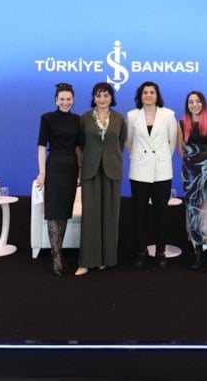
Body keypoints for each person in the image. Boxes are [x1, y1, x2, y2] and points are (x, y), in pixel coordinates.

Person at [75, 82, 127, 276]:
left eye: (106, 95)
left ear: (111, 98)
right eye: (98, 95)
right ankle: (86, 262)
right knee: (90, 216)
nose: (102, 99)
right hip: (91, 171)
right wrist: (82, 167)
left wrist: (110, 158)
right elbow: (81, 144)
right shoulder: (85, 118)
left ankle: (106, 259)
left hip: (112, 170)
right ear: (93, 98)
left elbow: (120, 144)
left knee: (110, 215)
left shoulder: (119, 119)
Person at [126, 81, 177, 269]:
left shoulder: (168, 115)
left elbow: (172, 142)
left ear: (157, 96)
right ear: (140, 96)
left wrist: (161, 158)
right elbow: (129, 142)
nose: (148, 95)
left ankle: (161, 252)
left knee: (161, 214)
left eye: (152, 92)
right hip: (139, 170)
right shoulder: (132, 116)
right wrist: (141, 157)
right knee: (139, 214)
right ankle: (141, 252)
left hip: (161, 171)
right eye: (145, 92)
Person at [36, 83, 82, 276]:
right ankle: (56, 257)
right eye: (62, 99)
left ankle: (59, 252)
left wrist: (80, 170)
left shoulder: (78, 120)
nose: (65, 102)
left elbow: (78, 148)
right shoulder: (47, 118)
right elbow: (41, 147)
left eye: (68, 99)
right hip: (54, 166)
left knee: (64, 211)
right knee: (54, 211)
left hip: (71, 168)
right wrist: (42, 173)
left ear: (73, 100)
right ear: (56, 100)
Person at [177, 91, 207, 274]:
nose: (194, 104)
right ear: (187, 105)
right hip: (189, 174)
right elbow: (180, 149)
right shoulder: (181, 123)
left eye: (197, 101)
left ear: (203, 103)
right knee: (192, 211)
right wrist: (190, 166)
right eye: (191, 102)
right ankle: (197, 252)